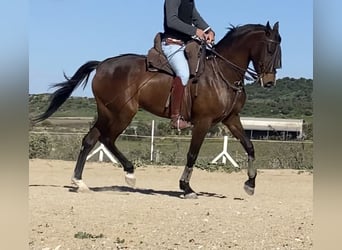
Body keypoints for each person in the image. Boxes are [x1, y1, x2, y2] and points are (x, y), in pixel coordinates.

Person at [162, 0, 215, 130]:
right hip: (172, 44)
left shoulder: (190, 1)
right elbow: (171, 20)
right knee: (184, 74)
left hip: (187, 45)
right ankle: (175, 118)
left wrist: (209, 31)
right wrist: (195, 31)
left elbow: (196, 18)